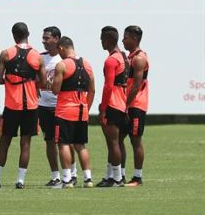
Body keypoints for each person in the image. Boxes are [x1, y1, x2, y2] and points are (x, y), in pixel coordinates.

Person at [0, 22, 46, 189]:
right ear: (28, 34)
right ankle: (20, 181)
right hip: (31, 106)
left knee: (4, 141)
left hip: (12, 105)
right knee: (26, 143)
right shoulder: (37, 56)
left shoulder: (6, 54)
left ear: (13, 35)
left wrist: (12, 80)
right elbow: (44, 82)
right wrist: (31, 83)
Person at [51, 36, 95, 189]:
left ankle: (67, 179)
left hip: (65, 111)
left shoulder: (62, 65)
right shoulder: (87, 64)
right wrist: (86, 109)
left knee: (63, 144)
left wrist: (52, 82)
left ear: (62, 48)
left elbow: (55, 90)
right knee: (80, 145)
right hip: (82, 110)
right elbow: (92, 90)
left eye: (58, 50)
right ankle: (88, 178)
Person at [38, 26, 78, 187]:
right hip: (44, 105)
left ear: (56, 39)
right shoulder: (40, 57)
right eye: (43, 38)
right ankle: (55, 175)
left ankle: (72, 173)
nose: (44, 41)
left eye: (47, 38)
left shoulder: (65, 61)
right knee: (49, 141)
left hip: (61, 107)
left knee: (67, 142)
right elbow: (34, 77)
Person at [96, 26, 130, 187]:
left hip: (113, 103)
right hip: (122, 103)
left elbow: (108, 86)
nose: (100, 41)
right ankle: (112, 176)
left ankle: (116, 179)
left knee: (113, 142)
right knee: (116, 142)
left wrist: (103, 108)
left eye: (102, 39)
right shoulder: (124, 56)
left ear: (108, 40)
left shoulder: (111, 60)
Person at [120, 25, 149, 187]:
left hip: (135, 104)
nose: (123, 40)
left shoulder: (139, 58)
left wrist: (125, 104)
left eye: (126, 37)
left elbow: (136, 86)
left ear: (135, 39)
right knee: (118, 139)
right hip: (126, 104)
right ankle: (120, 175)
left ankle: (137, 178)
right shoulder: (130, 57)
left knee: (135, 140)